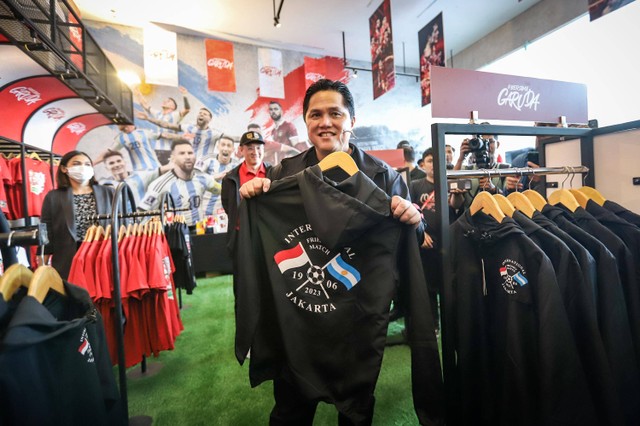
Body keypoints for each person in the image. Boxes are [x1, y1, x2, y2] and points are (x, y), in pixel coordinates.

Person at [238, 79, 424, 425]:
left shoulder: (384, 178)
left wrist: (415, 219)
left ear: (351, 120)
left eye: (335, 113)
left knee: (355, 411)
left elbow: (411, 239)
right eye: (315, 114)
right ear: (306, 123)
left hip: (357, 319)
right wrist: (256, 194)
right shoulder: (284, 173)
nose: (325, 122)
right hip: (299, 319)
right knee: (290, 409)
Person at [410, 148, 464, 333]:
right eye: (430, 160)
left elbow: (456, 207)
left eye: (437, 160)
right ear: (422, 164)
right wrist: (420, 233)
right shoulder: (415, 185)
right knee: (428, 288)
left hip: (449, 243)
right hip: (426, 244)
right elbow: (411, 212)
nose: (434, 164)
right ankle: (433, 325)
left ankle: (453, 323)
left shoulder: (450, 182)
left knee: (450, 286)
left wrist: (456, 195)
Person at [38, 151, 114, 279]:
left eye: (87, 164)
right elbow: (46, 232)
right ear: (64, 168)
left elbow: (123, 225)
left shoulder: (109, 193)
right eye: (77, 163)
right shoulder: (53, 197)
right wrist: (42, 266)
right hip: (68, 258)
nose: (83, 167)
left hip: (103, 254)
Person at [138, 139, 221, 227]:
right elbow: (141, 214)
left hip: (199, 231)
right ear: (173, 158)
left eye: (190, 153)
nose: (187, 157)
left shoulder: (203, 178)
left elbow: (223, 190)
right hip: (175, 235)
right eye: (182, 153)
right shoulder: (160, 184)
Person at [221, 131, 271, 251]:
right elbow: (228, 206)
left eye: (258, 148)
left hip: (270, 236)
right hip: (242, 238)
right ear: (241, 150)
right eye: (250, 148)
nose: (255, 152)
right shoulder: (230, 178)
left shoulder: (274, 173)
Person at [453, 124, 520, 209]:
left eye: (490, 142)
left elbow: (510, 202)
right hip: (470, 219)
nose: (486, 146)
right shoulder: (466, 170)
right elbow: (452, 193)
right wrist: (461, 158)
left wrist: (493, 189)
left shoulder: (506, 170)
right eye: (482, 142)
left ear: (498, 144)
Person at [136, 107, 222, 160]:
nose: (201, 115)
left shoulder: (214, 133)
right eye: (200, 113)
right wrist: (148, 118)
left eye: (205, 114)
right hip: (186, 164)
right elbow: (166, 125)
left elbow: (233, 138)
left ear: (210, 119)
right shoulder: (189, 128)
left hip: (202, 167)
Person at [135, 86, 191, 163]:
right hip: (158, 149)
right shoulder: (158, 114)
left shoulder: (175, 115)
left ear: (173, 107)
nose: (165, 101)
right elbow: (145, 104)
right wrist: (138, 94)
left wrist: (185, 95)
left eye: (168, 101)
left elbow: (187, 109)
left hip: (170, 150)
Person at [100, 150, 172, 208]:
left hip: (145, 221)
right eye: (111, 163)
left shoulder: (141, 175)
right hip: (121, 223)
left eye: (119, 161)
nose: (117, 165)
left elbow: (163, 169)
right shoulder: (104, 183)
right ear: (106, 167)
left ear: (124, 162)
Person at [196, 135, 238, 217]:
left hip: (222, 214)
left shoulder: (237, 166)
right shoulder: (206, 159)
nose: (225, 148)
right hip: (202, 210)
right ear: (218, 146)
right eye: (223, 145)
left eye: (229, 146)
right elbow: (193, 178)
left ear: (233, 149)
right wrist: (214, 177)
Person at [94, 124, 162, 172]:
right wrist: (93, 163)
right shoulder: (121, 138)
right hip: (139, 170)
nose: (125, 129)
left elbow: (161, 136)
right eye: (123, 129)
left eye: (126, 126)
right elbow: (108, 152)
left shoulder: (144, 132)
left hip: (155, 166)